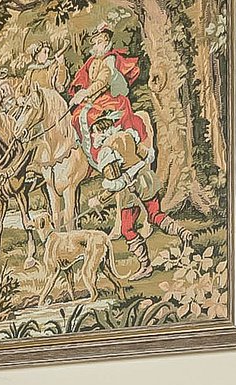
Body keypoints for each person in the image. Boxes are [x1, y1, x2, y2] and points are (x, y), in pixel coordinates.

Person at [88, 109, 185, 279]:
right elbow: (148, 156)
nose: (93, 137)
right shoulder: (128, 135)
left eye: (94, 132)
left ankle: (145, 266)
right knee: (155, 215)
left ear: (101, 130)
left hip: (130, 190)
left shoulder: (107, 150)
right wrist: (135, 168)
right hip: (146, 180)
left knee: (127, 228)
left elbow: (116, 183)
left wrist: (99, 200)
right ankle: (182, 232)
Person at [69, 23, 150, 158]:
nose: (97, 45)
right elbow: (83, 78)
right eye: (95, 42)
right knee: (76, 116)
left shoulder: (109, 59)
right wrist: (80, 93)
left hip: (110, 97)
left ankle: (109, 154)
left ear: (107, 41)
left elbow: (103, 81)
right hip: (94, 98)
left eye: (100, 41)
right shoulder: (92, 61)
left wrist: (86, 93)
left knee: (92, 117)